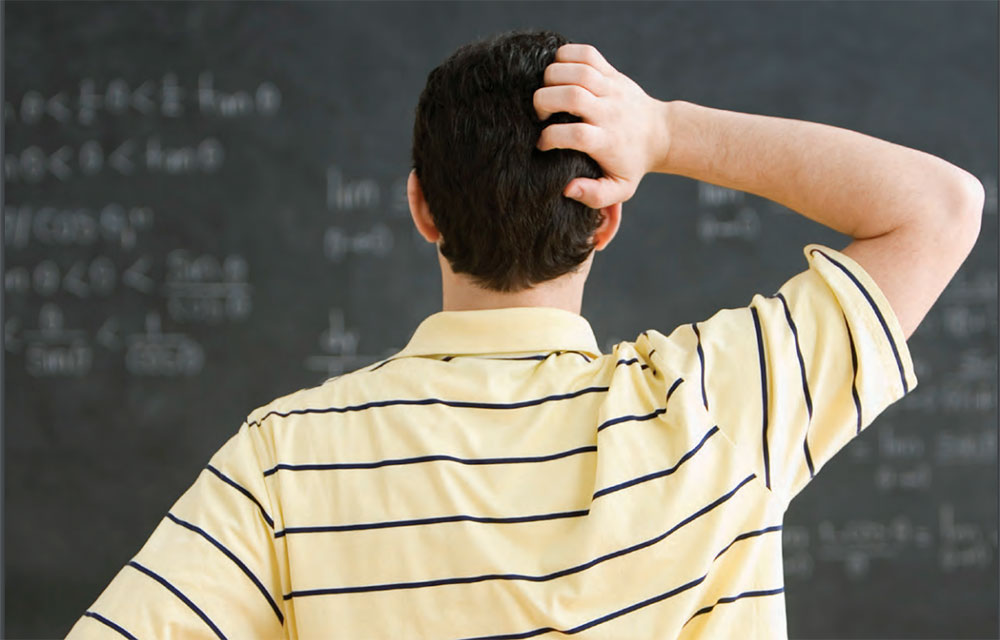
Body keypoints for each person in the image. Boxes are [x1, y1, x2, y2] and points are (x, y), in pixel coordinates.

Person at [67, 29, 983, 640]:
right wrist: (663, 131)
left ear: (421, 208)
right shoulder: (718, 409)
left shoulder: (285, 460)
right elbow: (940, 207)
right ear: (608, 220)